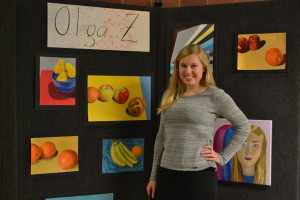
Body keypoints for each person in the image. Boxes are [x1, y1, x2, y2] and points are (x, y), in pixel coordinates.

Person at [146, 44, 251, 200]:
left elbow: (244, 126)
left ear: (203, 68)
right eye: (183, 66)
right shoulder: (169, 95)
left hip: (199, 176)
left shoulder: (215, 96)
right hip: (168, 175)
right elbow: (161, 137)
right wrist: (153, 177)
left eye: (193, 66)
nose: (188, 71)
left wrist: (223, 157)